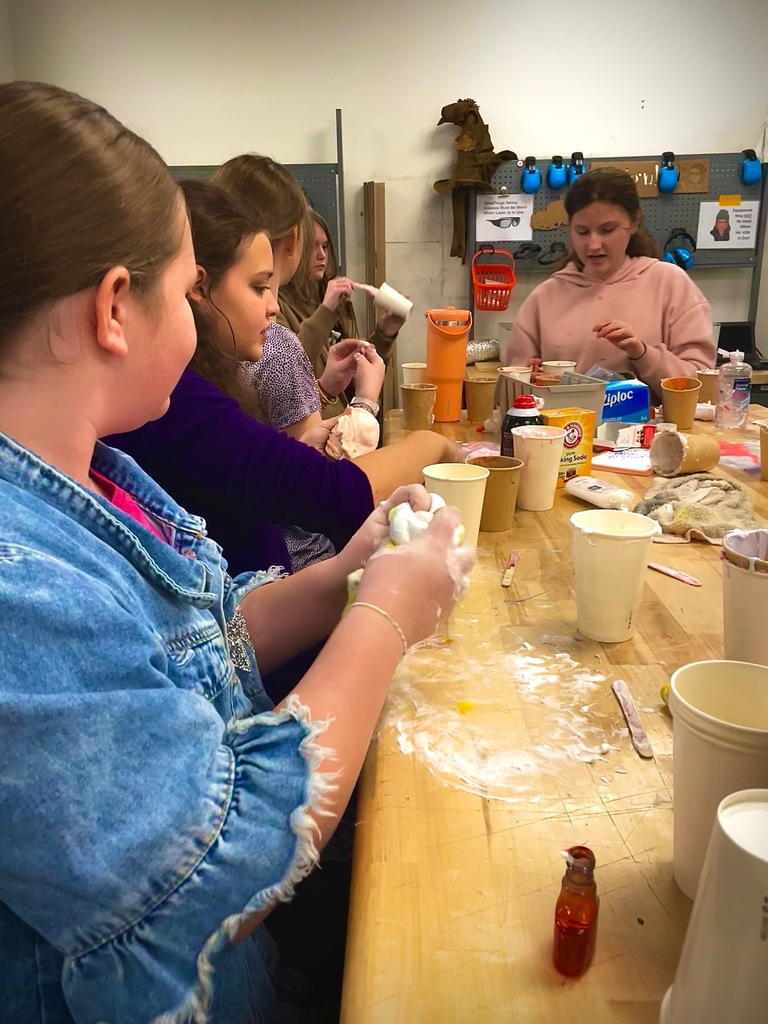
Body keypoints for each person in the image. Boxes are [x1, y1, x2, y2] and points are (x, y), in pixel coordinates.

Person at [0, 80, 473, 1024]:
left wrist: (348, 574)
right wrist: (382, 618)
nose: (207, 325)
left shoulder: (92, 474)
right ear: (114, 309)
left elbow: (195, 647)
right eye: (187, 293)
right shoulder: (18, 580)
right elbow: (210, 877)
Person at [108, 179, 462, 579]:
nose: (273, 307)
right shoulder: (180, 403)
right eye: (260, 287)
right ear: (199, 288)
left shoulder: (200, 390)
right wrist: (436, 444)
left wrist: (291, 448)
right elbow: (334, 494)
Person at [212, 154, 400, 418]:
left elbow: (281, 431)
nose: (272, 307)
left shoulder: (212, 345)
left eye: (325, 247)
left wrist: (324, 389)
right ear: (294, 238)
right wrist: (366, 403)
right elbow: (307, 454)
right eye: (258, 287)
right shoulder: (277, 344)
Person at [505, 168, 715, 396]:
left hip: (656, 431)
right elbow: (512, 389)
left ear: (633, 223)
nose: (594, 244)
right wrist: (531, 381)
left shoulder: (671, 285)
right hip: (567, 429)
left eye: (607, 230)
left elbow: (701, 388)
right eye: (582, 232)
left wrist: (643, 353)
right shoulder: (544, 298)